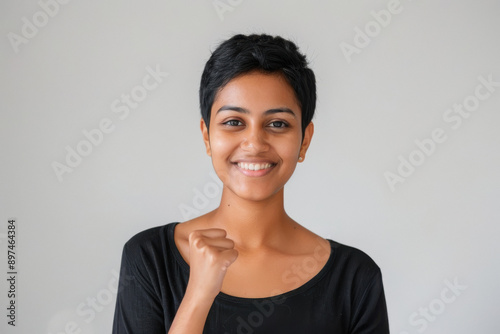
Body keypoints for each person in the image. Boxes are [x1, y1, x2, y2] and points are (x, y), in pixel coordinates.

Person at [112, 33, 390, 333]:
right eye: (234, 122)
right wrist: (198, 295)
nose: (255, 143)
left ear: (305, 140)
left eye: (278, 124)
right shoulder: (150, 259)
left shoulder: (354, 280)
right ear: (207, 136)